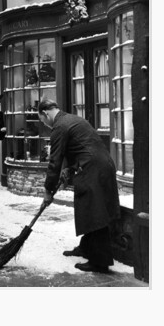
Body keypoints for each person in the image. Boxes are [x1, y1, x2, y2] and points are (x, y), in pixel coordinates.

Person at [38, 99, 121, 273]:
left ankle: (100, 262)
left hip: (93, 168)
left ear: (45, 113)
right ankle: (86, 248)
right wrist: (71, 168)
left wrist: (48, 190)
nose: (45, 125)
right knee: (89, 208)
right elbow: (83, 147)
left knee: (95, 210)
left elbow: (54, 161)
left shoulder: (59, 127)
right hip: (101, 164)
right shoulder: (73, 119)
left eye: (42, 121)